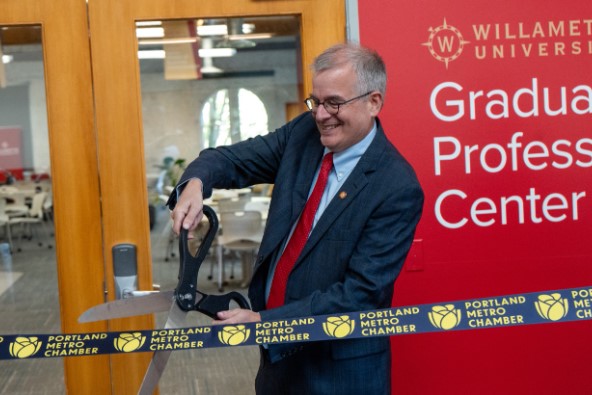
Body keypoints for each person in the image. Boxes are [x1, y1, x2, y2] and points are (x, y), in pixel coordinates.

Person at [168, 43, 424, 395]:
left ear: (373, 102)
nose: (320, 115)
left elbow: (359, 294)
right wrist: (195, 184)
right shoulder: (303, 135)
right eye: (315, 101)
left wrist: (264, 322)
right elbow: (231, 159)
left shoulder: (396, 185)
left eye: (334, 102)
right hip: (278, 365)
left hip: (340, 372)